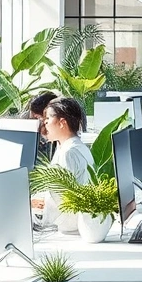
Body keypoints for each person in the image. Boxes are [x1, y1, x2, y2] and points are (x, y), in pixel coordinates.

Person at [42, 97, 95, 230]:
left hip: (65, 228)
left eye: (48, 118)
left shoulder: (69, 153)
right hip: (70, 224)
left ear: (62, 123)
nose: (45, 124)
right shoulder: (73, 146)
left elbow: (63, 199)